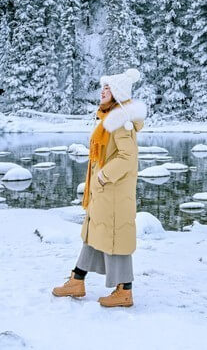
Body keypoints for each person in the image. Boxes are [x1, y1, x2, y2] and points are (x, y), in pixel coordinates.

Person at [52, 68, 147, 307]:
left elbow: (128, 156)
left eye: (109, 88)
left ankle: (124, 291)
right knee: (95, 234)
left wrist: (103, 177)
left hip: (113, 193)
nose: (103, 91)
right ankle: (77, 279)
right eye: (103, 87)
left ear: (118, 94)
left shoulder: (120, 122)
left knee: (116, 239)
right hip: (105, 194)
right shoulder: (108, 119)